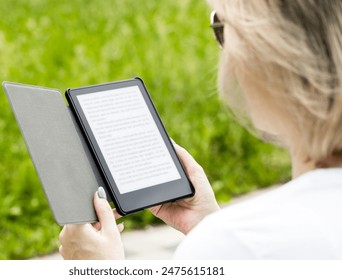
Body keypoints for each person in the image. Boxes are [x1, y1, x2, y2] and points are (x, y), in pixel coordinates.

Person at [59, 0, 342, 259]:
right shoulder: (238, 242)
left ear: (268, 56)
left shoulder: (238, 243)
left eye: (222, 27)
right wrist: (207, 224)